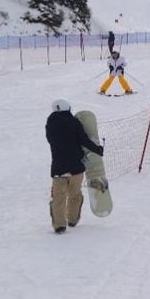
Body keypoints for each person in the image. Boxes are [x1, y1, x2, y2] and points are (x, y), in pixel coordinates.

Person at [47, 100, 103, 234]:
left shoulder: (50, 125)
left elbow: (50, 140)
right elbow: (84, 140)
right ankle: (72, 219)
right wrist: (97, 149)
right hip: (76, 168)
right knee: (75, 195)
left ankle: (59, 225)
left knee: (58, 198)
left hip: (58, 169)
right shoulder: (74, 123)